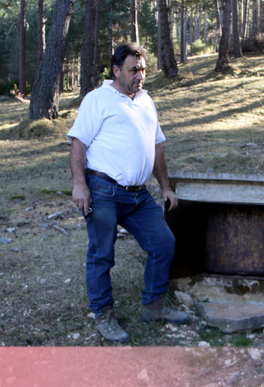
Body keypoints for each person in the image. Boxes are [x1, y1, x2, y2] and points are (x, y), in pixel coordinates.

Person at [67, 43, 189, 343]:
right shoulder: (97, 99)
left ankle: (154, 305)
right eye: (134, 69)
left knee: (163, 244)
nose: (141, 75)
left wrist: (165, 187)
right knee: (101, 255)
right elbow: (78, 144)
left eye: (144, 69)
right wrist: (79, 184)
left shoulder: (146, 101)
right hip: (103, 190)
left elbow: (157, 147)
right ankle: (104, 315)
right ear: (116, 70)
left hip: (139, 195)